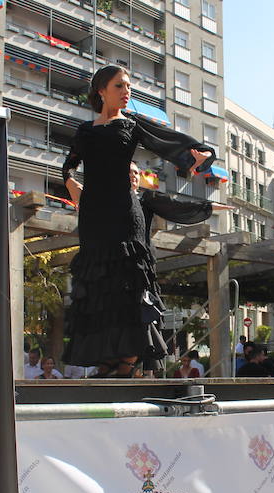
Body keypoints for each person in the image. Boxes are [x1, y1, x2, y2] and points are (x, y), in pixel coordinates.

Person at [61, 65, 214, 377]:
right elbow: (69, 165)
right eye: (119, 86)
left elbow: (165, 139)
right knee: (98, 285)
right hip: (93, 218)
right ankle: (107, 359)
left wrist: (193, 153)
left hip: (123, 213)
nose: (126, 91)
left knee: (128, 280)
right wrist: (71, 184)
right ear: (101, 91)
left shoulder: (132, 125)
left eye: (128, 86)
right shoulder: (85, 132)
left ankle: (128, 359)